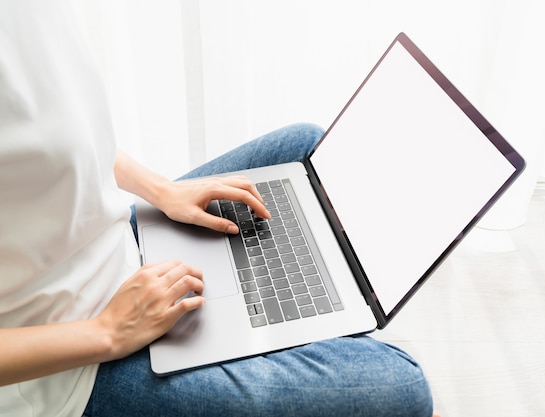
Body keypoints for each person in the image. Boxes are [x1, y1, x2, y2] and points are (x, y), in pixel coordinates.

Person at [0, 1, 436, 416]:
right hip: (74, 368)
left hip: (118, 245)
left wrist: (163, 190)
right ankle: (299, 320)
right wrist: (108, 332)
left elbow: (57, 134)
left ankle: (309, 310)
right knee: (406, 388)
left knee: (304, 149)